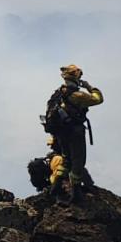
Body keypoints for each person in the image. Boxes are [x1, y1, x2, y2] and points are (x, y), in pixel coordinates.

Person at [44, 64, 103, 203]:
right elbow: (98, 99)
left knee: (65, 160)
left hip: (61, 133)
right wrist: (90, 87)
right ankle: (76, 194)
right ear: (76, 77)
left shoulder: (59, 93)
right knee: (78, 162)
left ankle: (56, 187)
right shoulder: (77, 95)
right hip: (74, 132)